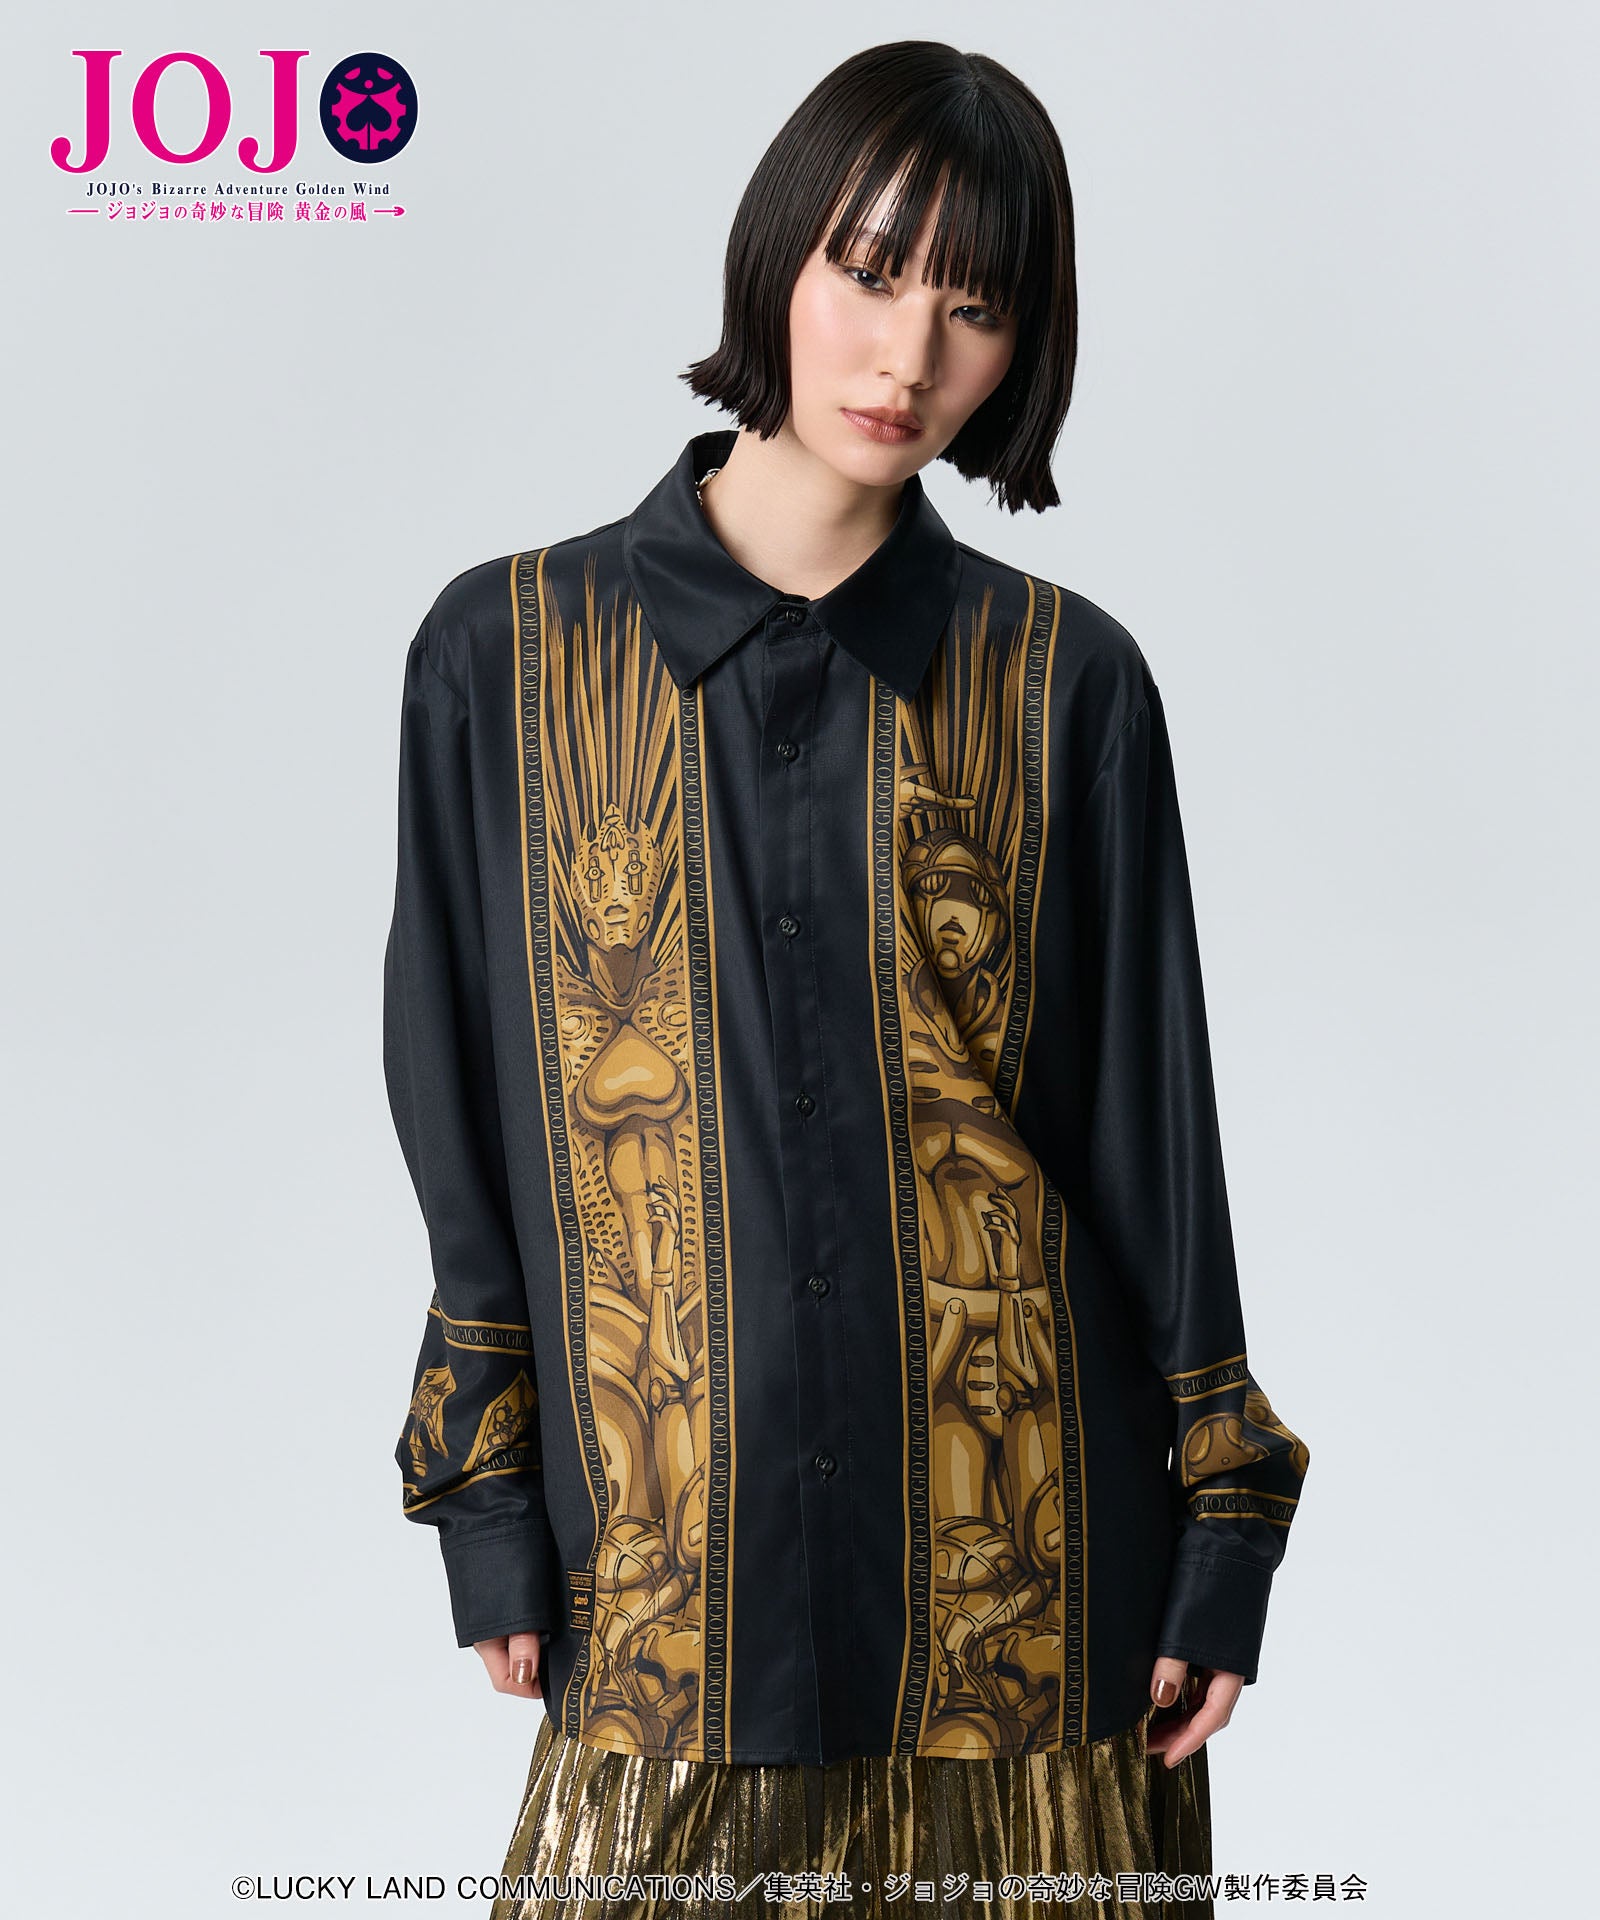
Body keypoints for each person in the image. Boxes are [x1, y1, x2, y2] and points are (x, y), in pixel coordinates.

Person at [381, 38, 1310, 1920]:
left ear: (1021, 346)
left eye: (976, 308)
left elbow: (1153, 1134)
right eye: (871, 275)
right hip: (673, 1578)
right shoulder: (508, 657)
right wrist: (488, 1496)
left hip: (1032, 1598)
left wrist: (1222, 1534)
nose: (908, 357)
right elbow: (457, 1092)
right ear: (778, 256)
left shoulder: (1068, 685)